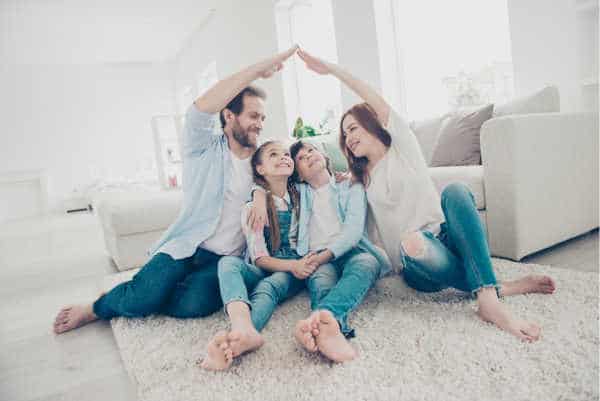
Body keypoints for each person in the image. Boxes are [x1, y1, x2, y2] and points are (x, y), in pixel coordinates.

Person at [296, 48, 556, 342]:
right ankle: (499, 287)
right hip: (416, 265)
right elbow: (333, 206)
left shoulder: (402, 148)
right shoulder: (358, 180)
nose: (349, 138)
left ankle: (488, 299)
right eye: (344, 135)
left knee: (457, 191)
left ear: (373, 125)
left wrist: (331, 69)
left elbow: (375, 99)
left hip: (445, 239)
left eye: (353, 128)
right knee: (413, 242)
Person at [53, 46, 298, 334]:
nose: (260, 124)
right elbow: (198, 110)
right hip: (187, 245)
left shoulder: (263, 160)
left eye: (262, 118)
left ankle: (143, 290)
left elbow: (292, 176)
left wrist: (264, 193)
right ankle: (98, 307)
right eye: (253, 116)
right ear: (229, 116)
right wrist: (256, 71)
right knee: (145, 297)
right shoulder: (201, 147)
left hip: (226, 258)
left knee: (193, 305)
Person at [200, 141, 317, 371]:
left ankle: (238, 340)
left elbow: (323, 184)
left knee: (269, 288)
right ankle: (242, 325)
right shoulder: (252, 209)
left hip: (291, 267)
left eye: (286, 154)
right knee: (227, 264)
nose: (284, 157)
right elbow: (260, 259)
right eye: (274, 154)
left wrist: (294, 265)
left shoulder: (303, 195)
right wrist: (259, 195)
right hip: (265, 264)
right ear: (260, 169)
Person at [288, 140, 391, 362]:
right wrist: (258, 196)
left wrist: (320, 258)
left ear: (325, 157)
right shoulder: (298, 192)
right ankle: (331, 330)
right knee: (322, 284)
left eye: (311, 150)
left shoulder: (351, 185)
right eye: (301, 159)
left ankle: (321, 318)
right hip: (316, 255)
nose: (308, 155)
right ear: (299, 175)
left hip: (349, 250)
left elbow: (353, 232)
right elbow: (268, 183)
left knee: (367, 264)